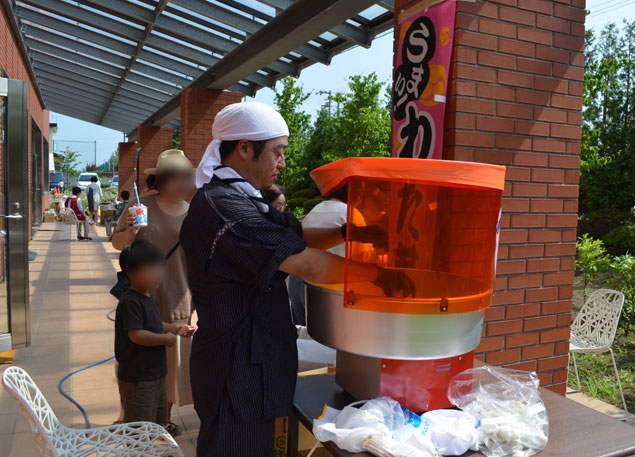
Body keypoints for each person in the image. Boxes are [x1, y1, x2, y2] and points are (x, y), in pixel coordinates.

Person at [180, 102, 415, 457]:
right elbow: (308, 264)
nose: (283, 163)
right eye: (278, 152)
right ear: (244, 148)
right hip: (235, 372)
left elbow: (297, 235)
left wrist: (352, 232)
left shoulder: (244, 199)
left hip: (251, 364)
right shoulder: (224, 208)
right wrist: (384, 279)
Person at [111, 149, 196, 436]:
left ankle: (163, 419)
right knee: (135, 357)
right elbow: (117, 244)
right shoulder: (142, 205)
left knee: (170, 366)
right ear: (161, 179)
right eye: (175, 177)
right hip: (142, 295)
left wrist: (197, 306)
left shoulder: (196, 214)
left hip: (179, 293)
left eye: (188, 176)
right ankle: (129, 415)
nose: (183, 183)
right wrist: (131, 233)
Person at [114, 240, 195, 426]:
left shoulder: (148, 295)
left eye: (160, 269)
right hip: (138, 378)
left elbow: (152, 323)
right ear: (131, 272)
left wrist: (174, 328)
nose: (158, 275)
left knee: (157, 421)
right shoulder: (130, 302)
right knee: (139, 425)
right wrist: (165, 339)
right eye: (151, 270)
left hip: (156, 374)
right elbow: (137, 335)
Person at [288, 185, 349, 325]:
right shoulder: (348, 213)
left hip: (298, 280)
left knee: (303, 333)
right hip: (324, 284)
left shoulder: (317, 208)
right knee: (326, 337)